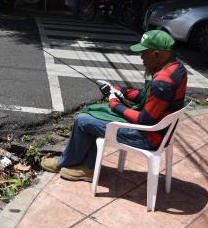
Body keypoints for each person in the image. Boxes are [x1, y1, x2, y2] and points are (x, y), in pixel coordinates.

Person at [41, 30, 187, 181]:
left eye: (144, 53)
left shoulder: (163, 83)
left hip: (148, 137)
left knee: (82, 120)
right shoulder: (177, 68)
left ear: (156, 54)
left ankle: (67, 162)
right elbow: (146, 96)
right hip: (160, 131)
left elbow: (145, 120)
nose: (141, 57)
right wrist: (118, 90)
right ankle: (87, 166)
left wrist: (115, 104)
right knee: (92, 113)